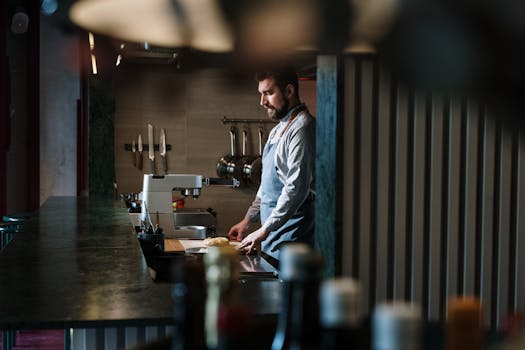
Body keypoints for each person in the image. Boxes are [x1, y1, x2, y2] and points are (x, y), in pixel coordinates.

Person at [227, 64, 316, 266]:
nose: (262, 102)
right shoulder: (278, 130)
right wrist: (248, 221)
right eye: (261, 94)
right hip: (273, 241)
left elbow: (296, 188)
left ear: (289, 91)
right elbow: (267, 185)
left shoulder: (302, 128)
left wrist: (264, 230)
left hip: (292, 242)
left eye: (268, 93)